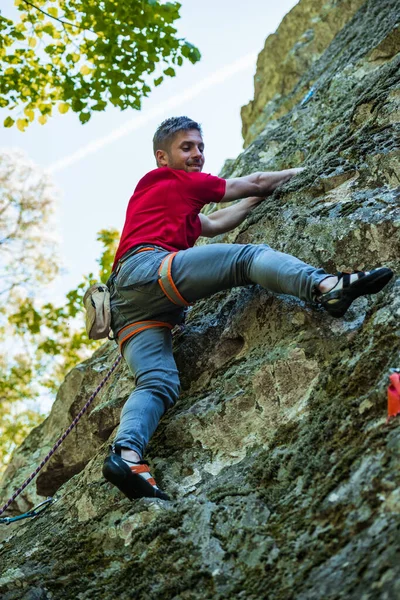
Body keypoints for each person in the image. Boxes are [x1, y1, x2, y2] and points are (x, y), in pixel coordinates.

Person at [102, 116, 393, 501]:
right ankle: (327, 286)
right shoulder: (170, 180)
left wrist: (256, 199)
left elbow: (218, 220)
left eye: (201, 147)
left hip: (129, 309)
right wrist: (308, 170)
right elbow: (251, 182)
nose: (197, 154)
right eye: (186, 147)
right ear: (163, 157)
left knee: (158, 383)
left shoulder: (169, 202)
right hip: (146, 271)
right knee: (247, 258)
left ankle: (127, 456)